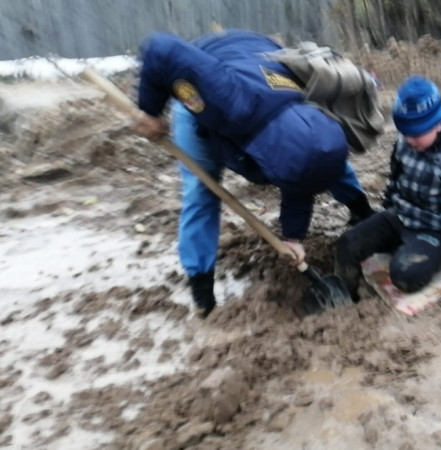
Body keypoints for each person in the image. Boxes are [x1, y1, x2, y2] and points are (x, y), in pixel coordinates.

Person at [133, 29, 375, 317]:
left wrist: (293, 237)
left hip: (261, 65)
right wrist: (150, 111)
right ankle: (203, 293)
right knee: (202, 190)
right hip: (208, 93)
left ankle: (362, 212)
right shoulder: (228, 98)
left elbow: (303, 179)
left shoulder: (309, 112)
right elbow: (160, 48)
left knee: (321, 154)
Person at [334, 76, 441, 300]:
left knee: (406, 275)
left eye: (416, 134)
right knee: (348, 244)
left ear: (438, 123)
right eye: (405, 133)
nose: (409, 139)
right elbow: (396, 180)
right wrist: (384, 214)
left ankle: (418, 251)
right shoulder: (405, 141)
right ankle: (342, 299)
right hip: (402, 215)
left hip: (437, 227)